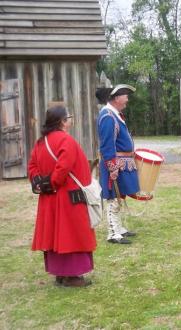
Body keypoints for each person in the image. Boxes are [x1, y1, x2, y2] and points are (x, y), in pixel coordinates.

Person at [28, 105, 97, 287]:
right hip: (67, 197)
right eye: (69, 117)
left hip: (49, 197)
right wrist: (52, 183)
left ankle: (60, 274)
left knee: (54, 235)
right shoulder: (66, 141)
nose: (71, 120)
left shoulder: (40, 143)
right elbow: (63, 168)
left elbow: (32, 167)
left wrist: (40, 183)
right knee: (72, 234)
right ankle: (72, 276)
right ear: (62, 122)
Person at [95, 84, 139, 244]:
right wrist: (112, 168)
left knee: (119, 196)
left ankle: (119, 229)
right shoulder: (108, 116)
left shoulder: (114, 114)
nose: (127, 98)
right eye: (125, 95)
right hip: (114, 165)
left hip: (121, 164)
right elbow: (107, 146)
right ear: (116, 98)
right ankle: (113, 233)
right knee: (113, 197)